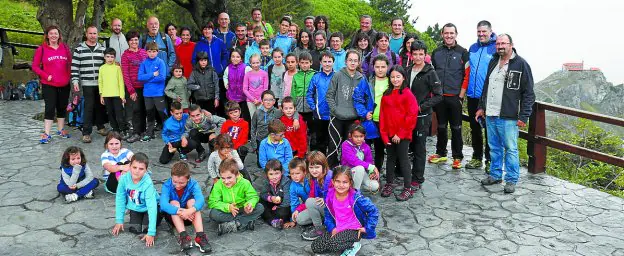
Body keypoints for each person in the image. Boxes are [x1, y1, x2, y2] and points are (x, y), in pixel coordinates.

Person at [477, 33, 535, 194]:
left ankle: (511, 179)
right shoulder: (494, 61)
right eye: (498, 43)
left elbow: (529, 93)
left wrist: (524, 116)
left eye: (504, 43)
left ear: (511, 44)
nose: (500, 46)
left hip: (508, 116)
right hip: (490, 113)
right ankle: (495, 175)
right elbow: (486, 86)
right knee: (494, 147)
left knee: (510, 148)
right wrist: (482, 107)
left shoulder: (521, 64)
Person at [310, 166, 379, 255]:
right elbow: (328, 215)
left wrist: (367, 228)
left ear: (350, 183)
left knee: (333, 245)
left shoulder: (356, 197)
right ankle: (340, 242)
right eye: (337, 181)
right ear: (332, 182)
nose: (341, 185)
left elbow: (373, 211)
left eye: (345, 182)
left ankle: (354, 244)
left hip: (354, 229)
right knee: (316, 246)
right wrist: (332, 228)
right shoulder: (329, 196)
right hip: (339, 227)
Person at [429, 23, 470, 169]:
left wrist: (460, 96)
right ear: (442, 34)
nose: (449, 36)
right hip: (439, 96)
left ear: (456, 34)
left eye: (452, 33)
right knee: (440, 126)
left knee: (456, 127)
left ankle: (457, 157)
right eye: (446, 33)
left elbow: (467, 75)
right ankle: (441, 153)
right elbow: (431, 74)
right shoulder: (436, 52)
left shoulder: (463, 52)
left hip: (455, 96)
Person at [407, 40, 443, 191]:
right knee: (407, 145)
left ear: (425, 55)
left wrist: (421, 107)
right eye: (415, 54)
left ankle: (417, 177)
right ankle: (403, 173)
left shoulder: (430, 72)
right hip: (406, 116)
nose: (418, 57)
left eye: (421, 54)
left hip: (422, 116)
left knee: (419, 148)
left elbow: (438, 95)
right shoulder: (407, 70)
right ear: (411, 54)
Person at [379, 66, 419, 201]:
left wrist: (400, 134)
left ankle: (408, 188)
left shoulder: (408, 94)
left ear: (403, 78)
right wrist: (384, 135)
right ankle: (390, 183)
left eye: (398, 77)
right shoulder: (386, 94)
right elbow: (383, 116)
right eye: (392, 77)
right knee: (390, 158)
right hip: (389, 133)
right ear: (389, 79)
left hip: (403, 134)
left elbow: (411, 116)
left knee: (403, 159)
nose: (395, 79)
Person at [32, 25, 72, 144]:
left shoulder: (64, 48)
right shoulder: (42, 49)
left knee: (62, 107)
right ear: (47, 36)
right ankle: (46, 133)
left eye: (56, 33)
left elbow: (69, 63)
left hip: (64, 84)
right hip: (49, 84)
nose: (54, 35)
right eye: (51, 33)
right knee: (50, 108)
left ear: (59, 35)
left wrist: (69, 76)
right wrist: (46, 76)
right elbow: (34, 66)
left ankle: (61, 129)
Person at [465, 20, 497, 171]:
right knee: (474, 128)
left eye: (484, 31)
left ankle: (490, 160)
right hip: (472, 95)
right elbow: (466, 71)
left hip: (489, 96)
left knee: (490, 129)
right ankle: (477, 157)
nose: (481, 34)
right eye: (479, 31)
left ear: (490, 31)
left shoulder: (496, 47)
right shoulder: (473, 47)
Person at [160, 161, 211, 253]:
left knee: (192, 201)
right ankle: (183, 236)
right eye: (175, 181)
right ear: (171, 177)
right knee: (174, 202)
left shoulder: (193, 184)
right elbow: (163, 204)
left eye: (181, 183)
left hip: (190, 217)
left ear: (188, 179)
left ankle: (200, 236)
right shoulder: (167, 185)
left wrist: (190, 210)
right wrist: (181, 212)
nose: (177, 185)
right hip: (173, 217)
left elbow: (201, 200)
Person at [326, 50, 364, 167]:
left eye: (355, 60)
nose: (352, 63)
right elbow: (329, 95)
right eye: (350, 60)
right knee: (334, 145)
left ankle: (347, 171)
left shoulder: (361, 78)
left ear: (358, 62)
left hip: (353, 118)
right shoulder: (338, 75)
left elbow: (364, 98)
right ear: (345, 61)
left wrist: (360, 113)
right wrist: (335, 110)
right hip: (337, 117)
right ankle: (331, 170)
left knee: (349, 146)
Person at [111, 153, 159, 247]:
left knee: (146, 230)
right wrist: (119, 220)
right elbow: (120, 199)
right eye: (134, 167)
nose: (137, 171)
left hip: (149, 207)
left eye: (141, 169)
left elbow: (151, 206)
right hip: (135, 207)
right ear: (129, 166)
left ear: (146, 170)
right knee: (135, 229)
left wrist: (151, 232)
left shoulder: (147, 182)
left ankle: (160, 214)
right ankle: (140, 218)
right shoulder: (123, 179)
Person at [209, 158, 264, 236]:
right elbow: (213, 202)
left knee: (260, 207)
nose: (226, 181)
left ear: (237, 174)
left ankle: (234, 224)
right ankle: (245, 221)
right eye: (223, 178)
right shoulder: (218, 184)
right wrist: (228, 207)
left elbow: (253, 196)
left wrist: (249, 204)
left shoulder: (245, 183)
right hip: (228, 211)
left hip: (242, 209)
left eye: (229, 178)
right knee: (213, 214)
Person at [71, 25, 106, 143]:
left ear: (98, 35)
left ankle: (100, 127)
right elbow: (75, 67)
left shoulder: (102, 49)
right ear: (86, 34)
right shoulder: (79, 49)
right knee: (89, 107)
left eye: (95, 33)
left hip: (100, 83)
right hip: (87, 83)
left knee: (100, 106)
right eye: (90, 33)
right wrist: (75, 81)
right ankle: (86, 132)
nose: (92, 36)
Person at [353, 55, 387, 169]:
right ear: (373, 67)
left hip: (384, 121)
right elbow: (358, 98)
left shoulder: (391, 81)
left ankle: (377, 170)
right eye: (377, 67)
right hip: (369, 120)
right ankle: (365, 169)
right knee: (365, 148)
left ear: (387, 67)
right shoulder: (366, 81)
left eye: (383, 66)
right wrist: (364, 113)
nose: (380, 69)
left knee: (380, 149)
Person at [250, 90, 299, 155]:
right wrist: (254, 144)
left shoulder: (277, 112)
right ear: (261, 101)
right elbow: (253, 128)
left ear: (274, 101)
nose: (268, 102)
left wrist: (296, 119)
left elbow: (293, 111)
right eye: (265, 100)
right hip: (260, 141)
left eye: (270, 100)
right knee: (261, 160)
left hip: (273, 141)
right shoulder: (257, 113)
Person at [121, 31, 149, 143]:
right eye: (132, 40)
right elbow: (125, 74)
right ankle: (136, 133)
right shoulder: (125, 55)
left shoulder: (144, 53)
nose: (134, 42)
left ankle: (142, 131)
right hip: (133, 87)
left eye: (136, 39)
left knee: (143, 109)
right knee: (136, 110)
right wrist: (131, 90)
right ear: (128, 42)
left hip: (145, 86)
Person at [137, 42, 168, 142]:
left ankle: (168, 131)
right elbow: (140, 77)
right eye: (149, 51)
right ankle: (150, 133)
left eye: (154, 51)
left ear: (157, 52)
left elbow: (162, 77)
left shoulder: (160, 62)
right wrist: (153, 74)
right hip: (147, 94)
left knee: (162, 113)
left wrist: (148, 80)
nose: (152, 53)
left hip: (158, 93)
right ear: (146, 52)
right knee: (149, 114)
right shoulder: (144, 63)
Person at [300, 151, 333, 241]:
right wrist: (298, 209)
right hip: (321, 208)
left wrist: (325, 199)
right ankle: (322, 221)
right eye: (311, 167)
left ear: (324, 166)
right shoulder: (314, 179)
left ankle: (319, 229)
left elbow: (339, 196)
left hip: (333, 210)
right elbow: (311, 196)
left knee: (310, 202)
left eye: (317, 167)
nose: (314, 170)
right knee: (300, 219)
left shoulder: (331, 177)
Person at [306, 52, 334, 154]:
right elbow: (309, 94)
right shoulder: (316, 77)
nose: (327, 64)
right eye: (325, 61)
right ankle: (319, 162)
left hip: (333, 115)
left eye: (329, 62)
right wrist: (314, 107)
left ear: (333, 63)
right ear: (321, 63)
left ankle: (331, 162)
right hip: (319, 115)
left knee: (331, 141)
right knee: (319, 140)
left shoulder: (336, 76)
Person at [340, 124, 380, 192]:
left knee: (375, 186)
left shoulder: (366, 146)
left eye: (361, 136)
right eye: (356, 136)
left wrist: (371, 172)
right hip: (347, 172)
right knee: (360, 168)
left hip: (361, 172)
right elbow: (354, 161)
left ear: (364, 136)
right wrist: (372, 167)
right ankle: (355, 193)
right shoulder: (346, 145)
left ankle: (353, 186)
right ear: (350, 136)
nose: (359, 139)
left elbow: (369, 161)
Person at [99, 48, 128, 137]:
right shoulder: (102, 68)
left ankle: (123, 129)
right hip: (106, 95)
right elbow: (100, 82)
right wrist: (101, 95)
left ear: (114, 58)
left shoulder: (117, 68)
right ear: (104, 57)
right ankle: (115, 130)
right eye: (108, 57)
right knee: (110, 114)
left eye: (112, 57)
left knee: (119, 114)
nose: (110, 59)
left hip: (117, 95)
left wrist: (122, 96)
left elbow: (121, 82)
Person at [259, 159, 293, 229]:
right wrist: (271, 198)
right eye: (271, 174)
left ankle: (272, 218)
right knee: (260, 202)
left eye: (277, 173)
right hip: (273, 202)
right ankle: (273, 221)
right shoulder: (267, 180)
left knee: (282, 213)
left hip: (283, 206)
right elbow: (263, 193)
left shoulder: (286, 182)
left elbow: (287, 201)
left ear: (281, 172)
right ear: (267, 174)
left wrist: (278, 207)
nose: (274, 177)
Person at [224, 49, 252, 122]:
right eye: (233, 56)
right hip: (232, 96)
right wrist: (226, 83)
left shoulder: (246, 68)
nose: (235, 59)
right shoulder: (228, 68)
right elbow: (225, 76)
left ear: (241, 58)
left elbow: (251, 78)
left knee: (244, 116)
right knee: (233, 116)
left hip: (243, 97)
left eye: (237, 57)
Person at [292, 52, 315, 124]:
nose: (304, 65)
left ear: (311, 63)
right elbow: (293, 91)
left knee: (311, 126)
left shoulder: (315, 74)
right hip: (299, 106)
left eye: (306, 63)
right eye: (302, 63)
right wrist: (293, 104)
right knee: (300, 125)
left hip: (311, 106)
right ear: (299, 63)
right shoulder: (296, 76)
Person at [288, 158, 309, 228]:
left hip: (317, 202)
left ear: (305, 172)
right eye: (292, 174)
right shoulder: (293, 186)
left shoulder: (310, 180)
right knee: (299, 219)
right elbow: (294, 203)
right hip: (306, 206)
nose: (295, 176)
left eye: (297, 173)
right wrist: (293, 219)